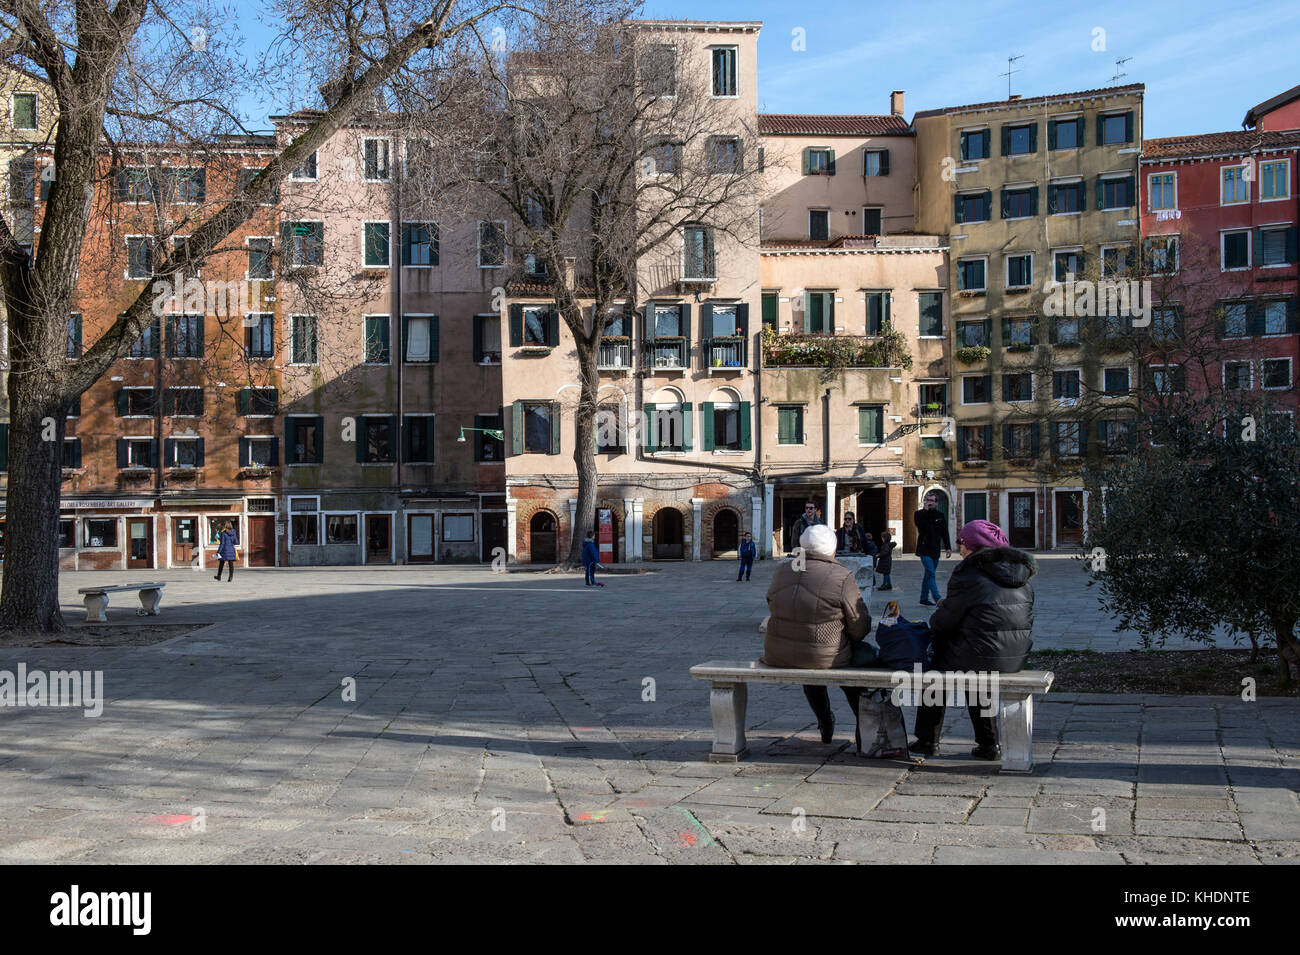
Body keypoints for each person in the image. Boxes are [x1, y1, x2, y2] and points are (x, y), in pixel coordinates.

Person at [909, 519, 1036, 761]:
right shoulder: (1021, 573)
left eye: (962, 542)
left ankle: (927, 739)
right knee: (976, 663)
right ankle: (989, 743)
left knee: (939, 664)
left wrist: (937, 620)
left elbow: (945, 621)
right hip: (1016, 655)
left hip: (982, 654)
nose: (959, 547)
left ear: (974, 546)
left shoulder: (969, 573)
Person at [763, 524, 872, 744]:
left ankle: (824, 720)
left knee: (809, 663)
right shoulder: (841, 575)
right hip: (825, 654)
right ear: (832, 549)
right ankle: (864, 730)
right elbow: (859, 624)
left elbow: (771, 602)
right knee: (851, 672)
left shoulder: (783, 569)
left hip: (779, 652)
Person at [913, 491, 952, 605]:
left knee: (928, 574)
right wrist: (925, 511)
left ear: (936, 503)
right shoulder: (919, 514)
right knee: (931, 573)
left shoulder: (940, 515)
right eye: (927, 500)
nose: (929, 503)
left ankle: (923, 598)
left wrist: (948, 547)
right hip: (924, 548)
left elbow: (944, 532)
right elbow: (920, 525)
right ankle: (937, 598)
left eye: (931, 501)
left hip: (935, 549)